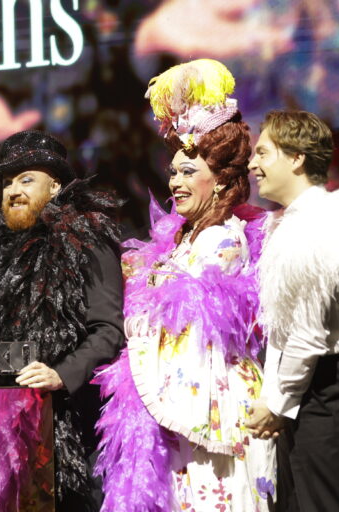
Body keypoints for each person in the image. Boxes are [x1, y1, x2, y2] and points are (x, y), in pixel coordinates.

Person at [94, 59, 277, 511]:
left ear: (221, 180)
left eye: (188, 171)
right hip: (179, 413)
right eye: (173, 172)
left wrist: (140, 300)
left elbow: (180, 322)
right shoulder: (184, 240)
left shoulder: (223, 240)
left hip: (212, 407)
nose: (175, 182)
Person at [0, 130, 125, 511]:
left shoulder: (88, 239)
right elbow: (3, 341)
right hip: (8, 435)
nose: (13, 191)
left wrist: (61, 374)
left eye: (26, 180)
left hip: (73, 428)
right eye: (7, 182)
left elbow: (108, 330)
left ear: (55, 186)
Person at [246, 110, 339, 511]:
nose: (253, 164)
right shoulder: (296, 221)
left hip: (326, 390)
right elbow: (286, 326)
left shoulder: (321, 222)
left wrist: (278, 402)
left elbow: (308, 332)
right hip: (310, 389)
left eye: (263, 153)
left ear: (296, 158)